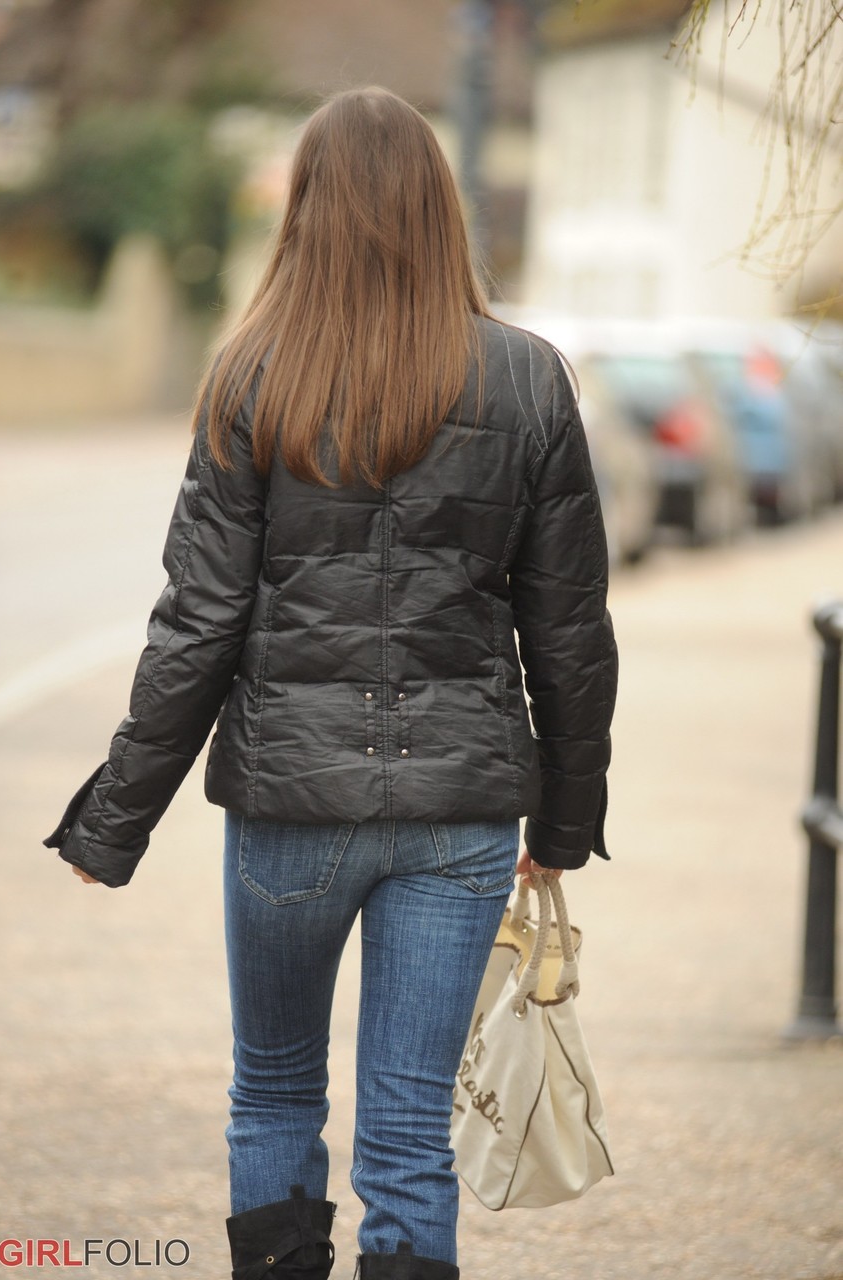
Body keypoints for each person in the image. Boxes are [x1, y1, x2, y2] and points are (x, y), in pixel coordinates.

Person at [43, 87, 618, 1280]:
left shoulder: (253, 374)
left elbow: (197, 623)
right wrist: (564, 823)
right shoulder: (527, 381)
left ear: (305, 211)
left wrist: (115, 820)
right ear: (439, 210)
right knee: (411, 1137)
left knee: (274, 1096)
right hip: (461, 814)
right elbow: (568, 630)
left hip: (288, 813)